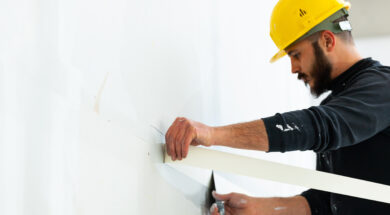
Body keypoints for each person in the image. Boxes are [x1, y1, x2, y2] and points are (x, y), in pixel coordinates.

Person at [165, 0, 390, 214]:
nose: (293, 68)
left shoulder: (383, 87)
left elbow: (318, 126)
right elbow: (324, 203)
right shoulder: (337, 105)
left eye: (295, 54)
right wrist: (259, 208)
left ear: (327, 41)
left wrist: (212, 134)